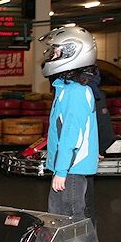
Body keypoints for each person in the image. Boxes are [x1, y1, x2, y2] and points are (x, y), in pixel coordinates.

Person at [40, 26, 99, 218]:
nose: (51, 55)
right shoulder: (65, 89)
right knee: (56, 214)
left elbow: (71, 136)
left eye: (55, 52)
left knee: (70, 216)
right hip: (66, 166)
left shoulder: (76, 93)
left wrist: (62, 170)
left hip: (72, 168)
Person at [78, 65, 115, 228]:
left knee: (82, 202)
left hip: (82, 158)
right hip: (82, 156)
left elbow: (105, 130)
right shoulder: (74, 92)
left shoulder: (93, 95)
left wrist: (97, 149)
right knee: (82, 201)